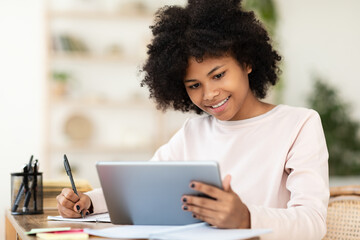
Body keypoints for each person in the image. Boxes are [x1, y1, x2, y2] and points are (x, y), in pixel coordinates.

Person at [56, 0, 329, 239]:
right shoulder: (193, 132)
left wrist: (245, 218)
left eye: (219, 75)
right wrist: (87, 202)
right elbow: (140, 187)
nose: (209, 94)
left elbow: (313, 223)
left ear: (247, 62)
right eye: (194, 85)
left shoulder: (299, 124)